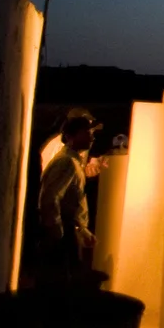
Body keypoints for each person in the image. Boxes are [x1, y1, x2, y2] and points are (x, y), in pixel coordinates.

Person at [37, 109, 101, 280]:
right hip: (64, 231)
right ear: (72, 135)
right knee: (62, 282)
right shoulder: (66, 161)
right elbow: (50, 196)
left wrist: (82, 229)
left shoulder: (73, 161)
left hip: (69, 229)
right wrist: (57, 231)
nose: (92, 137)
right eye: (87, 133)